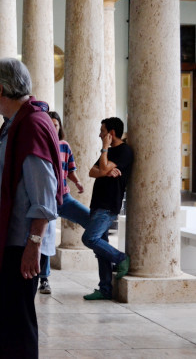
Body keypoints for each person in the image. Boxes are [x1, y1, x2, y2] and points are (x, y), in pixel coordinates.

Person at [0, 58, 62, 359]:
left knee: (17, 321)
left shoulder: (32, 125)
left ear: (0, 88)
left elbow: (44, 194)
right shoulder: (16, 123)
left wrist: (33, 244)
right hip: (10, 242)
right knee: (3, 315)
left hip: (22, 244)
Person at [38, 112, 91, 295]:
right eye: (50, 124)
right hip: (46, 200)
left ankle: (110, 260)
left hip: (64, 197)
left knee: (92, 219)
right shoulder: (39, 146)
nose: (54, 127)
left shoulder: (64, 146)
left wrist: (77, 182)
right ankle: (44, 279)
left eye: (56, 124)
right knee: (46, 239)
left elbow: (70, 169)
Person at [82, 117, 133, 301]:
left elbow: (101, 167)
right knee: (99, 249)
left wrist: (104, 152)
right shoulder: (110, 152)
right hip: (97, 203)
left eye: (102, 131)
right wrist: (105, 170)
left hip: (108, 204)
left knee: (89, 238)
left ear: (111, 134)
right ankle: (105, 289)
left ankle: (120, 258)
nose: (99, 134)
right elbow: (92, 171)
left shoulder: (124, 151)